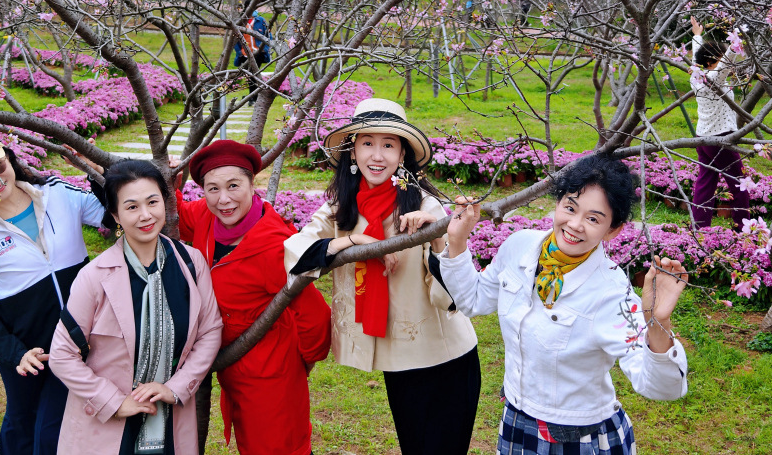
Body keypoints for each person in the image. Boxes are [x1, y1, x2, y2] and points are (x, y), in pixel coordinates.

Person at [440, 153, 690, 455]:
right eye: (570, 207)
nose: (574, 224)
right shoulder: (520, 246)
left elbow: (662, 387)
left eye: (593, 219)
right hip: (517, 420)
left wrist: (657, 321)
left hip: (579, 439)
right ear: (558, 202)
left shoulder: (610, 292)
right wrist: (457, 241)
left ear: (613, 230)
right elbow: (474, 300)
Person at [284, 99, 480, 455]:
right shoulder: (341, 206)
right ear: (353, 151)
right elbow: (296, 252)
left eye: (388, 145)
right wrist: (358, 243)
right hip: (399, 361)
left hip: (445, 356)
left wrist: (437, 237)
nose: (377, 155)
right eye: (367, 143)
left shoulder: (422, 206)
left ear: (402, 154)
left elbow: (451, 295)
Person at [0, 129, 107, 455]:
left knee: (63, 425)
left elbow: (112, 215)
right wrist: (17, 353)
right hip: (29, 354)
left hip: (81, 339)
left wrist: (97, 172)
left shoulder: (56, 193)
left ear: (10, 159)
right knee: (23, 421)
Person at [48, 159, 223, 454]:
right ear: (116, 215)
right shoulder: (95, 277)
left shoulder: (191, 264)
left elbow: (210, 331)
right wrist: (113, 401)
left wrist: (177, 387)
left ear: (165, 202)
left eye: (152, 202)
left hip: (170, 418)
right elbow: (62, 355)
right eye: (131, 207)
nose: (145, 215)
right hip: (108, 425)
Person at [176, 139, 332, 455]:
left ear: (252, 183)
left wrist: (296, 366)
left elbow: (316, 317)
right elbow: (176, 213)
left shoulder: (275, 246)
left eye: (233, 186)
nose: (223, 199)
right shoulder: (206, 216)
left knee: (276, 447)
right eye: (212, 189)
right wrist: (163, 181)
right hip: (233, 366)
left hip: (270, 371)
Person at [689, 15, 751, 229]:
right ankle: (744, 228)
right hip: (721, 140)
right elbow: (726, 63)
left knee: (705, 183)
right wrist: (737, 37)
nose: (724, 62)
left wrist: (697, 36)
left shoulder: (695, 76)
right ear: (709, 63)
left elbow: (696, 59)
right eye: (719, 58)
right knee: (740, 184)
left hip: (703, 138)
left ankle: (699, 228)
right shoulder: (713, 79)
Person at [232, 0, 271, 104]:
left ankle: (253, 97)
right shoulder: (241, 21)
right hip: (245, 54)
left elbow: (268, 35)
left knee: (254, 74)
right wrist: (239, 52)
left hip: (258, 53)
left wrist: (265, 49)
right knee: (250, 75)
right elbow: (234, 39)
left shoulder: (260, 20)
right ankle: (253, 96)